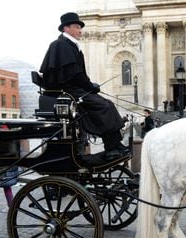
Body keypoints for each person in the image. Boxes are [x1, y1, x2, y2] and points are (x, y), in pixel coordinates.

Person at [39, 12, 128, 160]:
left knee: (108, 104)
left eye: (80, 27)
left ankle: (115, 144)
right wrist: (89, 86)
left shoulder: (69, 45)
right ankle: (111, 148)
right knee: (103, 106)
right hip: (68, 92)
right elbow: (74, 73)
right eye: (76, 27)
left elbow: (77, 73)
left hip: (74, 89)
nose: (80, 30)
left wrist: (89, 85)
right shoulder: (61, 45)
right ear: (66, 28)